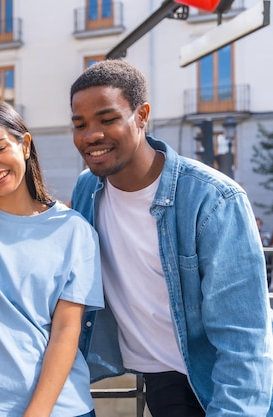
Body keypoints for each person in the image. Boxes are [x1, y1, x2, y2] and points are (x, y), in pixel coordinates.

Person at [69, 59, 273, 417]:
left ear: (142, 115)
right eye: (80, 124)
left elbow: (244, 340)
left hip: (221, 382)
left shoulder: (213, 200)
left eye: (107, 119)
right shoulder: (88, 189)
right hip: (162, 381)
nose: (91, 135)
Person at [0, 100, 103, 417]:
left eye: (0, 149)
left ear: (25, 145)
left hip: (60, 407)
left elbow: (67, 332)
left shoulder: (74, 231)